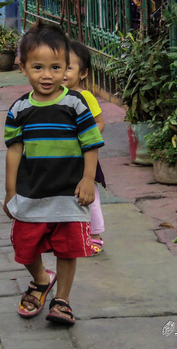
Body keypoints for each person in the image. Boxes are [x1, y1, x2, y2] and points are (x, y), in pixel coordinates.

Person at [3, 22, 104, 326]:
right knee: (24, 246)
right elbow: (14, 151)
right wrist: (10, 191)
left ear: (66, 69)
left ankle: (63, 299)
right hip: (31, 191)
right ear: (23, 68)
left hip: (68, 193)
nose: (47, 75)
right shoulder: (19, 110)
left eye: (55, 67)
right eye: (38, 67)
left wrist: (88, 180)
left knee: (67, 247)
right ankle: (40, 280)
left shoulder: (76, 105)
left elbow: (91, 144)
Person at [63, 42, 107, 255]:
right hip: (60, 157)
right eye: (57, 66)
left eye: (69, 68)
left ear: (83, 73)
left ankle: (95, 234)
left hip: (83, 157)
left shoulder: (85, 96)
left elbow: (99, 123)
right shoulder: (52, 96)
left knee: (89, 195)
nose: (62, 72)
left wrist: (85, 139)